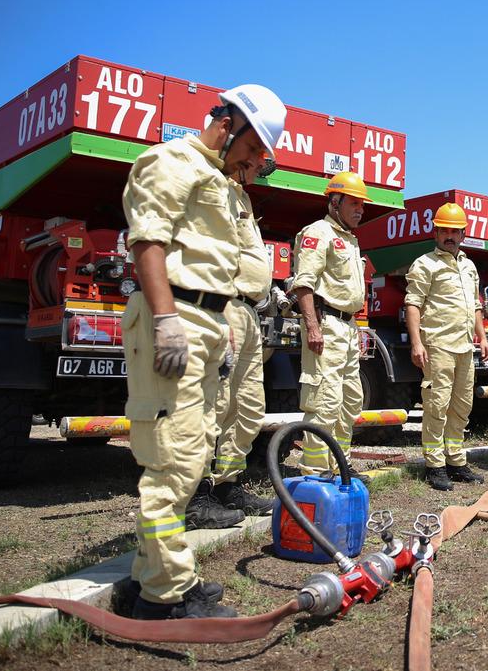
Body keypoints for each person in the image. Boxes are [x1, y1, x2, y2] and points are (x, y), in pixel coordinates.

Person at [121, 83, 285, 619]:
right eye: (256, 147)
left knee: (190, 451)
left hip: (209, 320)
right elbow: (149, 240)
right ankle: (166, 595)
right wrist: (167, 319)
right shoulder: (171, 162)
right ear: (227, 121)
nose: (258, 160)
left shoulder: (220, 181)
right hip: (178, 316)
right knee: (174, 458)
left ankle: (150, 575)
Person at [199, 160, 274, 520]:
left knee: (247, 405)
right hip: (225, 304)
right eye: (258, 165)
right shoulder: (216, 189)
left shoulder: (241, 197)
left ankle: (228, 485)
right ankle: (195, 495)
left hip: (248, 311)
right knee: (213, 403)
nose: (260, 173)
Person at [406, 202, 488, 490]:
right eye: (444, 230)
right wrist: (417, 343)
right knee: (436, 405)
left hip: (465, 346)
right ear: (436, 233)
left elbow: (476, 305)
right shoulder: (425, 264)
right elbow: (413, 304)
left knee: (461, 405)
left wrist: (483, 336)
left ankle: (455, 460)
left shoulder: (468, 265)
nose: (449, 236)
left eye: (455, 231)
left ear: (464, 234)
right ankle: (434, 464)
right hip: (438, 345)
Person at [290, 172, 371, 476]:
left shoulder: (349, 239)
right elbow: (304, 284)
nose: (360, 209)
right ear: (335, 202)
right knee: (323, 401)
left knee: (350, 400)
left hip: (347, 329)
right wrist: (312, 327)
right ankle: (314, 471)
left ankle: (340, 465)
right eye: (354, 203)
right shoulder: (318, 233)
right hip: (326, 326)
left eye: (362, 204)